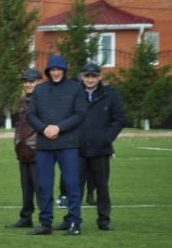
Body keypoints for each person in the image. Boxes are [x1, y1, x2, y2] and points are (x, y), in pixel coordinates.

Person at [27, 54, 86, 236]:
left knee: (71, 185)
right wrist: (44, 128)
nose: (56, 73)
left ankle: (74, 222)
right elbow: (31, 115)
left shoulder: (76, 88)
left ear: (64, 71)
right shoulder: (39, 90)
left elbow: (80, 114)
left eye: (59, 69)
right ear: (48, 71)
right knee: (44, 185)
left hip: (68, 144)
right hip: (45, 145)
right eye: (52, 69)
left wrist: (59, 128)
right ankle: (45, 224)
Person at [78, 61, 126, 230]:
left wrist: (107, 138)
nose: (90, 79)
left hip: (101, 149)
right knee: (75, 187)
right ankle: (72, 219)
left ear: (100, 77)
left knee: (102, 187)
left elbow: (119, 119)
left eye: (94, 76)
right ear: (82, 77)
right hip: (78, 149)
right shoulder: (74, 93)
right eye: (87, 76)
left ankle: (104, 220)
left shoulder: (110, 94)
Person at [7, 68, 42, 228]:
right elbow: (19, 125)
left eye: (32, 81)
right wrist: (17, 142)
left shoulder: (43, 100)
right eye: (26, 81)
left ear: (39, 82)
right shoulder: (22, 100)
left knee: (40, 187)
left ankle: (44, 219)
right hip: (23, 151)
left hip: (37, 151)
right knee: (26, 188)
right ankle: (26, 218)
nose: (28, 84)